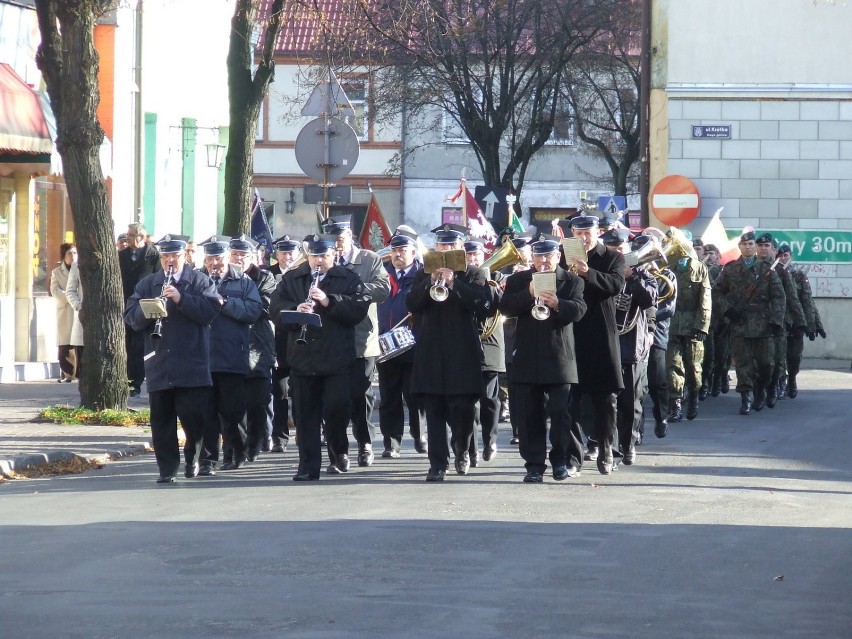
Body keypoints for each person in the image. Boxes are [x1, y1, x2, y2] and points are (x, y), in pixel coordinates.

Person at [270, 234, 370, 480]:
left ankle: (339, 450)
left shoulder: (348, 279)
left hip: (336, 359)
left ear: (333, 255)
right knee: (304, 415)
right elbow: (275, 310)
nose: (319, 261)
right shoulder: (293, 279)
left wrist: (328, 301)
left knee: (336, 409)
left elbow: (357, 310)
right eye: (314, 256)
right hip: (303, 359)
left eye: (324, 256)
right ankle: (307, 466)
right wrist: (295, 311)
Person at [123, 234, 221, 482]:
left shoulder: (198, 280)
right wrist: (148, 310)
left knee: (193, 419)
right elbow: (131, 317)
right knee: (161, 422)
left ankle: (192, 459)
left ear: (183, 256)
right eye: (165, 255)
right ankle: (167, 469)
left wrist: (180, 299)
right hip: (159, 363)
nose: (169, 260)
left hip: (192, 363)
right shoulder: (148, 284)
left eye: (174, 256)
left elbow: (210, 312)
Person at [499, 234, 586, 482]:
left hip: (559, 357)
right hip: (527, 356)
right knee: (529, 416)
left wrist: (559, 304)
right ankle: (534, 465)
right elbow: (505, 308)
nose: (544, 260)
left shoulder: (571, 281)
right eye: (539, 256)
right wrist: (528, 293)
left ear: (558, 256)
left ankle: (560, 460)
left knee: (561, 413)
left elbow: (579, 311)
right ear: (533, 258)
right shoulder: (518, 280)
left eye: (549, 255)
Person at [407, 223, 491, 481]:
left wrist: (454, 283)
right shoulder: (423, 274)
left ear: (460, 249)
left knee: (463, 409)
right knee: (434, 411)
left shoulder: (474, 273)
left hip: (462, 353)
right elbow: (412, 304)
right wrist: (429, 283)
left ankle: (462, 450)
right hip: (431, 352)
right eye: (441, 245)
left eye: (450, 246)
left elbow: (483, 305)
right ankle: (437, 464)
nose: (445, 249)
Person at [323, 215, 391, 467]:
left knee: (361, 395)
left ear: (350, 236)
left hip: (361, 338)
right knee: (334, 399)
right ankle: (337, 452)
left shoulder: (369, 259)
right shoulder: (324, 260)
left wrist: (355, 289)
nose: (336, 245)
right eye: (333, 240)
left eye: (340, 239)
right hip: (330, 339)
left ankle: (364, 442)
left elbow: (383, 289)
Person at [566, 213, 626, 475]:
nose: (583, 237)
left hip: (601, 333)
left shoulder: (612, 257)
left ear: (597, 232)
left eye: (588, 232)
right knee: (571, 400)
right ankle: (573, 458)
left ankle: (605, 450)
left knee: (606, 400)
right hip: (570, 333)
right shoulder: (562, 254)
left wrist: (588, 273)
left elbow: (616, 284)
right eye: (578, 233)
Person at [200, 235, 263, 471]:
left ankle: (236, 451)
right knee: (206, 413)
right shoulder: (198, 280)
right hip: (203, 358)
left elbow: (254, 311)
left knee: (232, 412)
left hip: (232, 356)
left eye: (218, 258)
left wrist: (224, 303)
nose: (214, 264)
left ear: (227, 257)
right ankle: (207, 459)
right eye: (210, 259)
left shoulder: (244, 282)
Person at [713, 231, 785, 415]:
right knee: (743, 363)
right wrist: (728, 309)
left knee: (766, 364)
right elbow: (717, 292)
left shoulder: (767, 270)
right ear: (740, 247)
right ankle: (745, 397)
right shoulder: (730, 269)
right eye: (744, 244)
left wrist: (777, 321)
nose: (747, 247)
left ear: (755, 247)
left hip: (763, 324)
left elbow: (778, 296)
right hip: (741, 322)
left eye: (751, 244)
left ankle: (760, 390)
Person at [604, 229, 657, 465]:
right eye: (612, 249)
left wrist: (631, 277)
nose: (617, 252)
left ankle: (629, 444)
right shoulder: (600, 273)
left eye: (620, 248)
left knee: (631, 402)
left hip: (633, 346)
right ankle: (611, 448)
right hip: (606, 345)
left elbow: (649, 300)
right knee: (608, 402)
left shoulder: (644, 273)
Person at [376, 228, 428, 458]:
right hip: (385, 345)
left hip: (414, 347)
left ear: (414, 252)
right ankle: (391, 443)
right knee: (389, 398)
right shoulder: (382, 275)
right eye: (394, 250)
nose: (397, 254)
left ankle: (420, 436)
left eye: (402, 250)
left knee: (415, 396)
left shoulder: (422, 275)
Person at [230, 235, 277, 461]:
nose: (238, 259)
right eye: (235, 254)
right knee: (234, 403)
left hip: (258, 348)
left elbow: (263, 307)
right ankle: (238, 445)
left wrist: (231, 303)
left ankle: (256, 442)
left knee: (257, 403)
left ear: (253, 258)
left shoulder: (265, 278)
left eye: (243, 255)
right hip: (229, 348)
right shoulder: (221, 278)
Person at [463, 237, 505, 465]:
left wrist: (493, 288)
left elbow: (503, 306)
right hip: (467, 344)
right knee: (469, 402)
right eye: (468, 256)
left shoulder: (497, 277)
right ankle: (471, 449)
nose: (472, 259)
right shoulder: (463, 279)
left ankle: (490, 441)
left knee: (489, 400)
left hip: (490, 344)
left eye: (476, 255)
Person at [756, 233, 805, 407]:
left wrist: (802, 323)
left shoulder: (783, 273)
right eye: (760, 245)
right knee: (759, 361)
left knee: (780, 358)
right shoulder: (750, 268)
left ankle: (781, 383)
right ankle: (760, 391)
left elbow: (793, 299)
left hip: (778, 322)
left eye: (767, 246)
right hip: (753, 323)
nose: (764, 249)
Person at [666, 239, 712, 422]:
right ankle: (675, 403)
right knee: (673, 365)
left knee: (694, 367)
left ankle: (693, 396)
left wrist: (702, 325)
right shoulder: (668, 266)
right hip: (672, 324)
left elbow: (705, 298)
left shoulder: (700, 268)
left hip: (693, 326)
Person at [777, 244, 825, 398]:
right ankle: (781, 383)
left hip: (796, 323)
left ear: (791, 256)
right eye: (781, 256)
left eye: (786, 255)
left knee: (794, 356)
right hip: (779, 322)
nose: (783, 258)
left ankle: (792, 378)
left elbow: (807, 301)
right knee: (778, 356)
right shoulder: (773, 274)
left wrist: (814, 324)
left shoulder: (798, 276)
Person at [119, 223, 161, 397]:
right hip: (126, 304)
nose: (126, 238)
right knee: (128, 345)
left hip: (146, 305)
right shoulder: (121, 255)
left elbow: (159, 278)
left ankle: (137, 382)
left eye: (130, 235)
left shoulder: (153, 255)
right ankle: (129, 382)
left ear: (141, 237)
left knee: (140, 346)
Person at [269, 235, 302, 452]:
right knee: (279, 390)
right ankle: (279, 436)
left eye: (291, 252)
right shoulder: (269, 274)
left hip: (300, 338)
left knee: (300, 389)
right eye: (283, 252)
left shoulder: (304, 274)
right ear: (277, 254)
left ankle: (304, 431)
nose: (287, 257)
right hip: (278, 338)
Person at [50, 243, 79, 382]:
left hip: (78, 310)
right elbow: (55, 291)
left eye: (74, 253)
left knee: (78, 343)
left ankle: (78, 373)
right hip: (65, 310)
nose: (72, 256)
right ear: (63, 256)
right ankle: (68, 373)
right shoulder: (57, 272)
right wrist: (71, 296)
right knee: (65, 344)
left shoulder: (81, 269)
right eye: (69, 253)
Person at [65, 259, 85, 379]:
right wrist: (79, 306)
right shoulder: (77, 265)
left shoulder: (113, 261)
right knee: (83, 363)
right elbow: (70, 291)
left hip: (107, 320)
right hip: (84, 317)